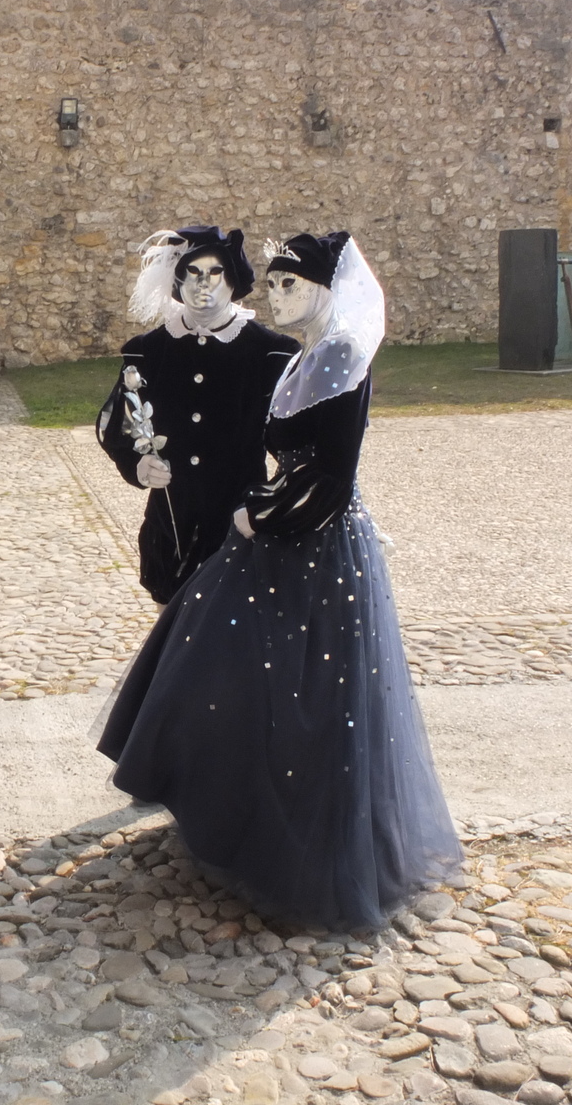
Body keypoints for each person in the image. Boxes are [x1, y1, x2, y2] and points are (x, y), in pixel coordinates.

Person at [96, 231, 462, 932]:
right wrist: (137, 462)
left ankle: (291, 839)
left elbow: (331, 474)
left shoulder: (301, 355)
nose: (275, 295)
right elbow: (120, 419)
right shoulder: (281, 356)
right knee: (220, 667)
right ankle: (226, 800)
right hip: (231, 532)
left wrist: (259, 515)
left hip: (289, 542)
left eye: (288, 283)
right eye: (276, 284)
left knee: (291, 689)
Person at [96, 225, 300, 604]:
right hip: (171, 525)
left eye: (214, 273)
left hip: (238, 523)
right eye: (191, 273)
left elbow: (295, 443)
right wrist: (137, 463)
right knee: (170, 637)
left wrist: (275, 505)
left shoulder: (269, 353)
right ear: (176, 282)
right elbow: (116, 421)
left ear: (234, 280)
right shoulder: (150, 351)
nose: (202, 284)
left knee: (230, 641)